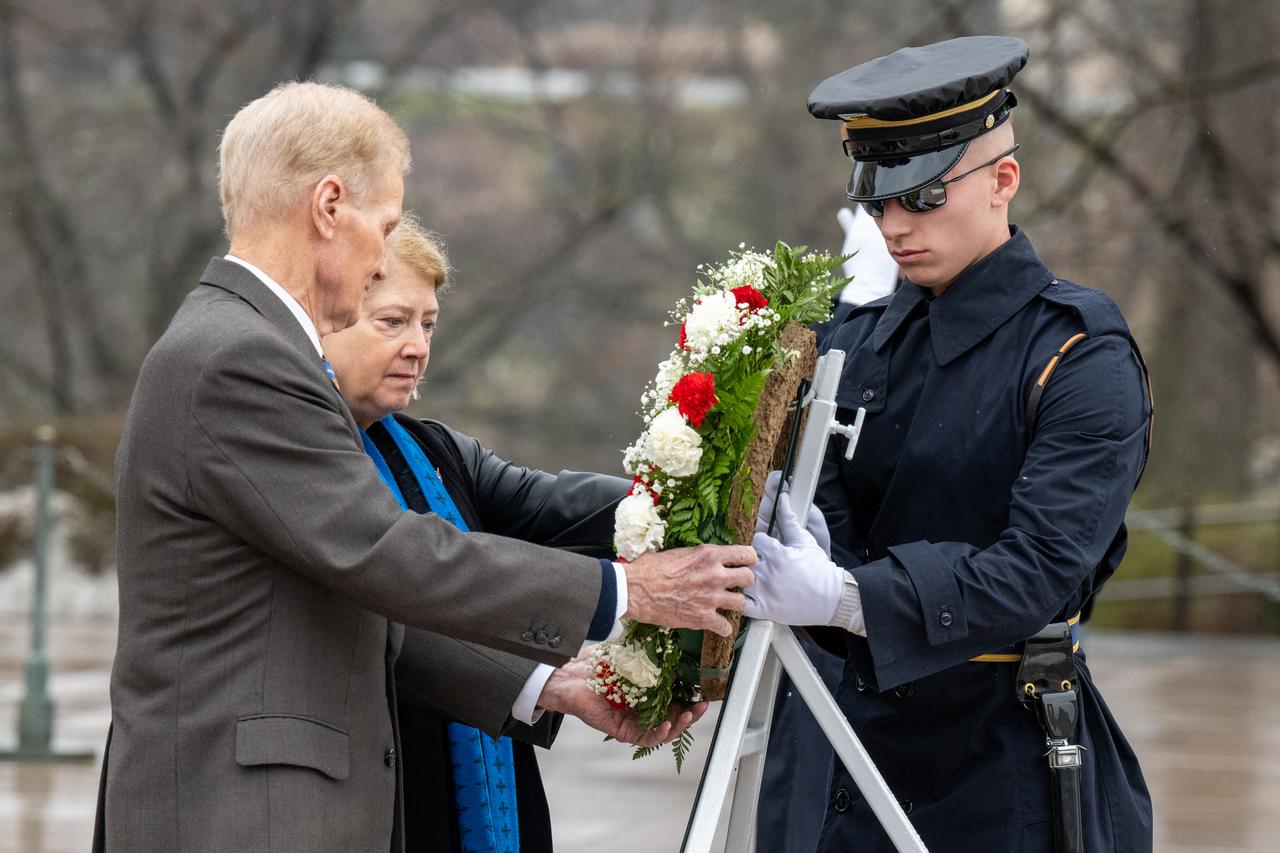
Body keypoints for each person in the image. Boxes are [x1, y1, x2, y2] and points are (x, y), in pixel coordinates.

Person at [94, 81, 755, 853]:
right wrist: (626, 590)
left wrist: (550, 684)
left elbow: (351, 601)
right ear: (328, 206)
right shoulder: (241, 357)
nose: (383, 253)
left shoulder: (238, 343)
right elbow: (390, 553)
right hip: (245, 821)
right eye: (385, 225)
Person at [744, 36, 1154, 852]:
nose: (894, 225)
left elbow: (1041, 568)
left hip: (995, 760)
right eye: (878, 202)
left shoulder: (1078, 353)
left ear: (1004, 180)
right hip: (841, 750)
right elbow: (821, 510)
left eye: (923, 196)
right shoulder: (850, 339)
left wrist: (847, 597)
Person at [320, 215, 632, 851]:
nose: (418, 346)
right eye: (392, 322)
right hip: (381, 790)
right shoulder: (301, 462)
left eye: (428, 324)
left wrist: (683, 495)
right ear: (327, 315)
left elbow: (556, 507)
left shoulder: (434, 449)